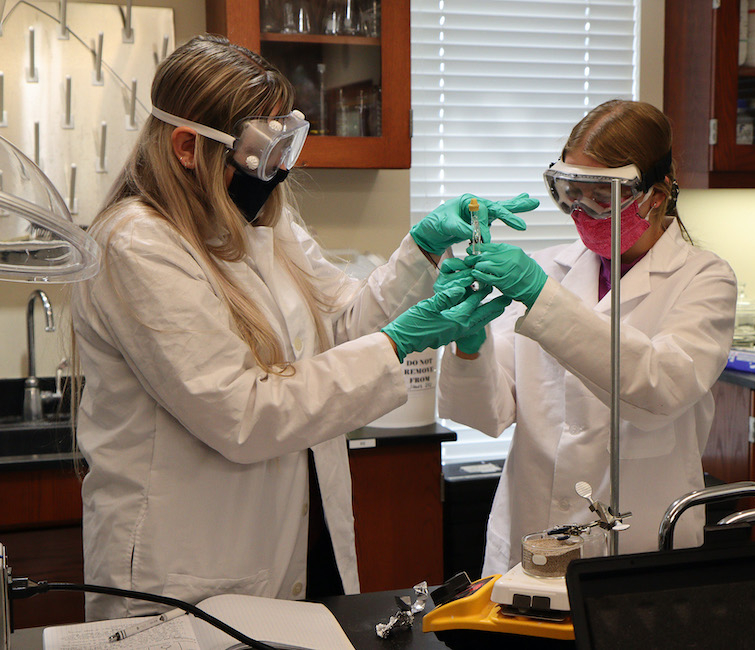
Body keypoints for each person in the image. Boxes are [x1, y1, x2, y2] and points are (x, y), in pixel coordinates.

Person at [70, 34, 537, 619]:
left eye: (285, 145)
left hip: (291, 543)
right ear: (188, 147)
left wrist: (420, 251)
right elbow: (244, 413)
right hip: (181, 570)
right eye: (262, 152)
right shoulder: (135, 243)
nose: (277, 174)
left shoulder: (262, 219)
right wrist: (400, 342)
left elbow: (342, 325)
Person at [437, 99, 737, 576]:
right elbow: (487, 415)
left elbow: (659, 391)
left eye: (600, 194)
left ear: (654, 195)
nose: (580, 209)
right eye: (569, 190)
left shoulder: (704, 279)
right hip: (530, 535)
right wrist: (470, 346)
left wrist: (542, 299)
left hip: (640, 548)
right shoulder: (544, 268)